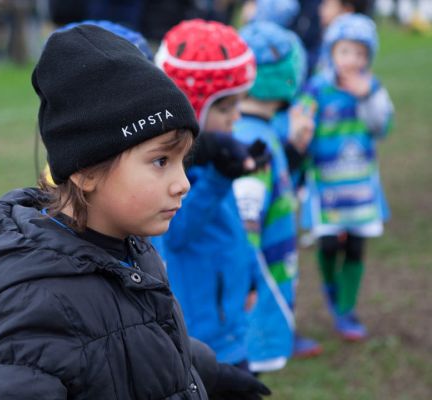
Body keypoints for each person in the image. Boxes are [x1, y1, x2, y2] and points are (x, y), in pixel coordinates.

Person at [0, 24, 271, 399]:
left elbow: (137, 334)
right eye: (161, 160)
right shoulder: (37, 308)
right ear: (85, 171)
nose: (183, 183)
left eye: (184, 161)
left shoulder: (129, 247)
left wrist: (205, 372)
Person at [154, 19, 270, 372]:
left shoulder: (217, 156)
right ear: (192, 106)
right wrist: (219, 178)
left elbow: (230, 226)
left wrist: (250, 273)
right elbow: (177, 234)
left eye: (238, 104)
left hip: (230, 323)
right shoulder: (171, 171)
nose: (236, 116)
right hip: (201, 337)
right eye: (224, 108)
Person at [232, 20, 322, 372]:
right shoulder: (255, 143)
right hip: (256, 294)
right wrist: (249, 282)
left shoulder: (262, 133)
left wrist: (296, 149)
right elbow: (246, 219)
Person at [298, 14, 393, 341]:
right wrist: (301, 130)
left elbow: (382, 127)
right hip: (326, 187)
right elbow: (300, 128)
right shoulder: (316, 88)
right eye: (345, 52)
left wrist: (367, 96)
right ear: (331, 52)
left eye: (360, 53)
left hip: (361, 187)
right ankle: (331, 290)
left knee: (355, 246)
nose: (353, 60)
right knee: (327, 244)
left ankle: (346, 309)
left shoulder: (372, 89)